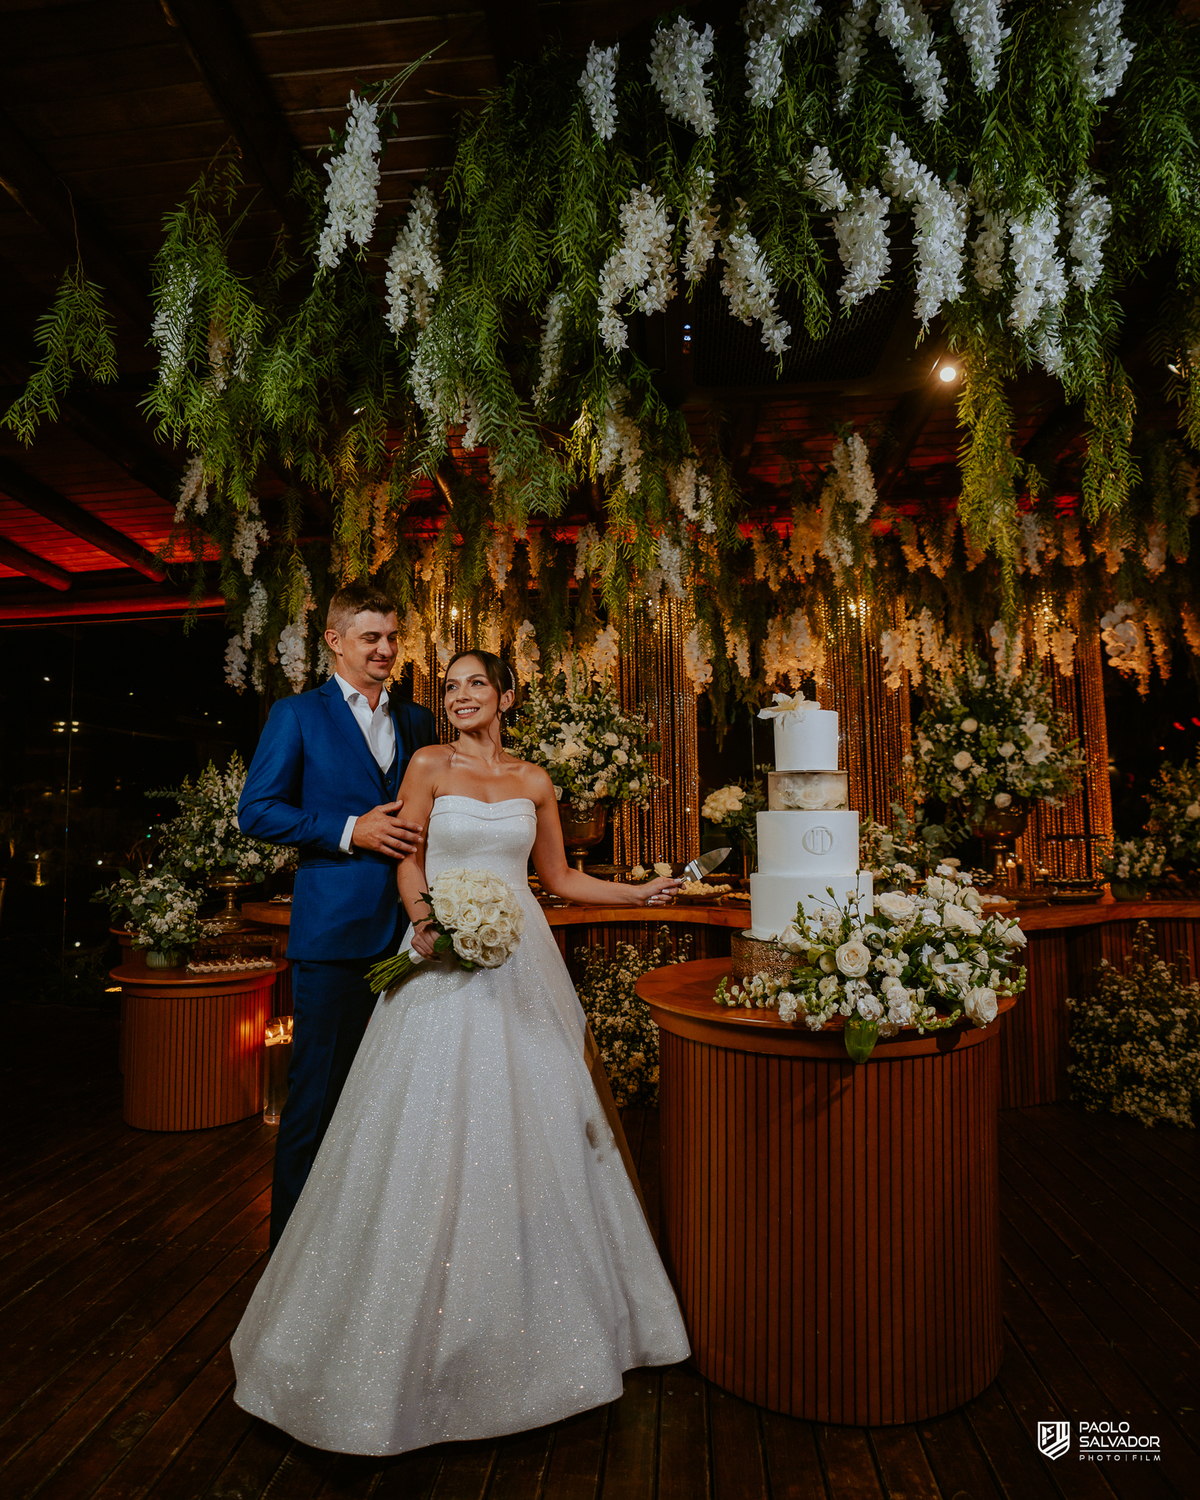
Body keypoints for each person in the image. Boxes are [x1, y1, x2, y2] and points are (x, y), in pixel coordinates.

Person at [231, 649, 691, 1456]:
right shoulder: (426, 762)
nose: (460, 696)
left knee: (540, 1119)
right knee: (423, 1127)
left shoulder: (537, 780)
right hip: (439, 952)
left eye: (477, 683)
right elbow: (407, 849)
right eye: (450, 686)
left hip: (521, 961)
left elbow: (558, 878)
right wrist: (425, 915)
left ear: (507, 695)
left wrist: (637, 892)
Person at [237, 583, 437, 1248]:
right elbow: (258, 811)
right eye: (370, 637)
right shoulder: (297, 716)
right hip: (333, 940)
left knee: (396, 1103)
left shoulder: (416, 721)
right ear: (334, 641)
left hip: (414, 935)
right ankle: (292, 1254)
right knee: (316, 1100)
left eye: (391, 637)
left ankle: (371, 1246)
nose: (384, 650)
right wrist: (352, 830)